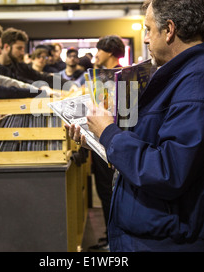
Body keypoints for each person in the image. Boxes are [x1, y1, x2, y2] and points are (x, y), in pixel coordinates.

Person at [67, 0, 204, 252]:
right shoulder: (185, 76)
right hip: (155, 234)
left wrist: (109, 134)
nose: (147, 38)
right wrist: (99, 137)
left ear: (170, 29)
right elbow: (154, 144)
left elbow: (168, 171)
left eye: (149, 30)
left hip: (168, 241)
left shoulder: (200, 83)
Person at [86, 36, 124, 252]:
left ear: (109, 52)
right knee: (105, 192)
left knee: (109, 191)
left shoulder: (115, 76)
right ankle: (110, 235)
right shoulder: (105, 75)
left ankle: (113, 240)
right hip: (106, 139)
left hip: (109, 140)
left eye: (99, 50)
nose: (96, 54)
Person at [0, 28, 77, 92]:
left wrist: (69, 85)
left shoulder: (20, 66)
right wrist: (40, 86)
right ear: (6, 47)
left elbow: (42, 77)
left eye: (23, 49)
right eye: (19, 48)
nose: (22, 53)